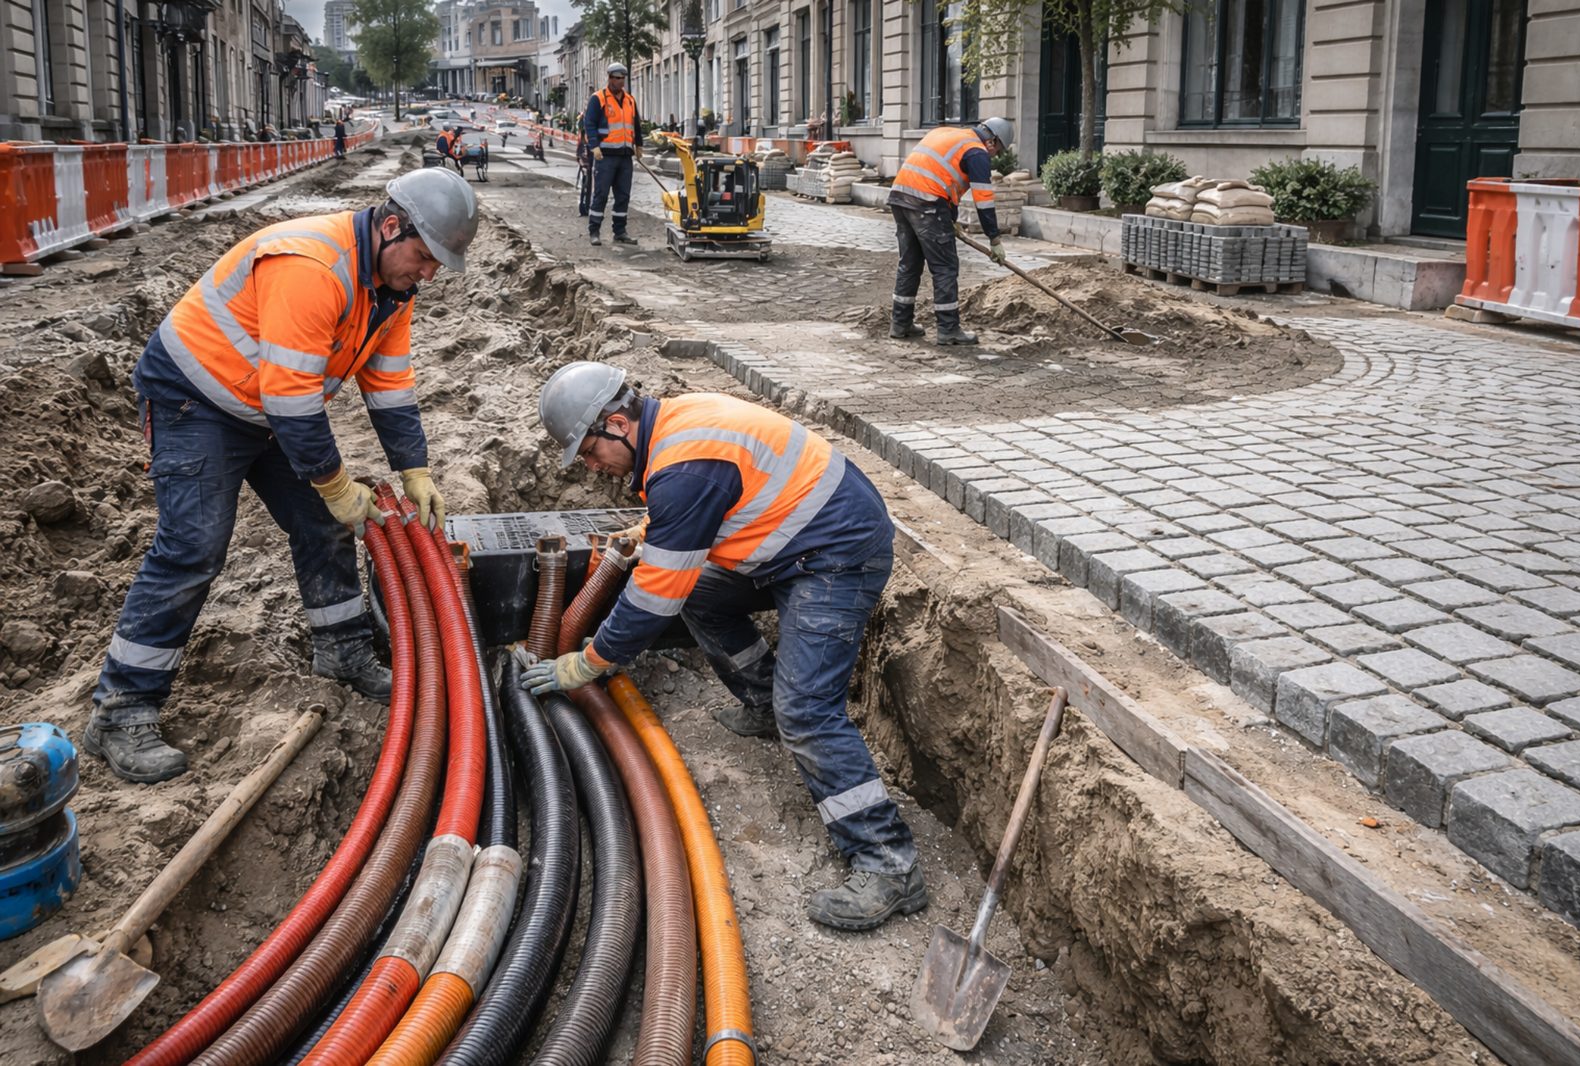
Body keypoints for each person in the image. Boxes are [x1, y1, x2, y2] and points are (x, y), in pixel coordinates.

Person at [85, 168, 481, 784]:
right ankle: (121, 709)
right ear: (392, 225)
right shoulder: (311, 268)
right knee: (194, 546)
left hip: (267, 404)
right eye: (424, 257)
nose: (427, 274)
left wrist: (416, 468)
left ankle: (343, 652)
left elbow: (390, 384)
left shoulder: (391, 288)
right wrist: (334, 482)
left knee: (324, 523)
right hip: (196, 399)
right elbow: (293, 397)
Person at [522, 362, 926, 931]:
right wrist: (653, 530)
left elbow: (654, 596)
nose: (591, 466)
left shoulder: (685, 465)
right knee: (703, 597)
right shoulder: (672, 426)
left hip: (837, 553)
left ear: (616, 423)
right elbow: (710, 505)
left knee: (807, 710)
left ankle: (889, 862)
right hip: (790, 539)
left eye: (588, 451)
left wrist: (588, 663)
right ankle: (763, 702)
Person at [886, 116, 1014, 345]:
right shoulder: (977, 152)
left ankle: (900, 323)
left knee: (910, 263)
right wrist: (994, 239)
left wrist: (950, 219)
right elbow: (983, 201)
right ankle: (948, 329)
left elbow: (944, 178)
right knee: (945, 267)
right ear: (992, 141)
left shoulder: (947, 134)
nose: (995, 156)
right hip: (927, 204)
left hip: (900, 198)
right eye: (999, 151)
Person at [582, 62, 642, 246]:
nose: (620, 82)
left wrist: (638, 145)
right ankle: (594, 231)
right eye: (617, 78)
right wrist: (594, 146)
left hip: (625, 156)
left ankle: (620, 231)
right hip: (605, 156)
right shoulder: (598, 99)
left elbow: (636, 125)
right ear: (609, 78)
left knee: (623, 195)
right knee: (601, 194)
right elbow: (589, 124)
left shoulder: (630, 100)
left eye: (623, 78)